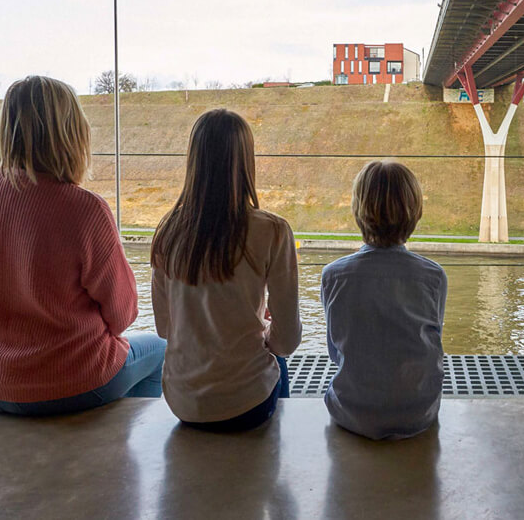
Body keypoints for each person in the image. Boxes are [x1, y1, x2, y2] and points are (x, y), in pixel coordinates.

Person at [0, 75, 164, 416]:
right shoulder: (85, 209)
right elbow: (122, 314)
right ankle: (119, 442)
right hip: (70, 384)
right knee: (160, 349)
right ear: (73, 132)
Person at [151, 109, 301, 432]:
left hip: (183, 403)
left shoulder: (168, 233)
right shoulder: (272, 231)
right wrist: (260, 332)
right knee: (280, 363)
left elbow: (165, 328)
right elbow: (287, 340)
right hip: (247, 405)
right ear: (246, 162)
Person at [321, 160, 447, 440]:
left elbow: (335, 351)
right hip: (419, 412)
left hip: (351, 412)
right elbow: (433, 341)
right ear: (415, 211)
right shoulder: (434, 277)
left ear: (358, 209)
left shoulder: (334, 276)